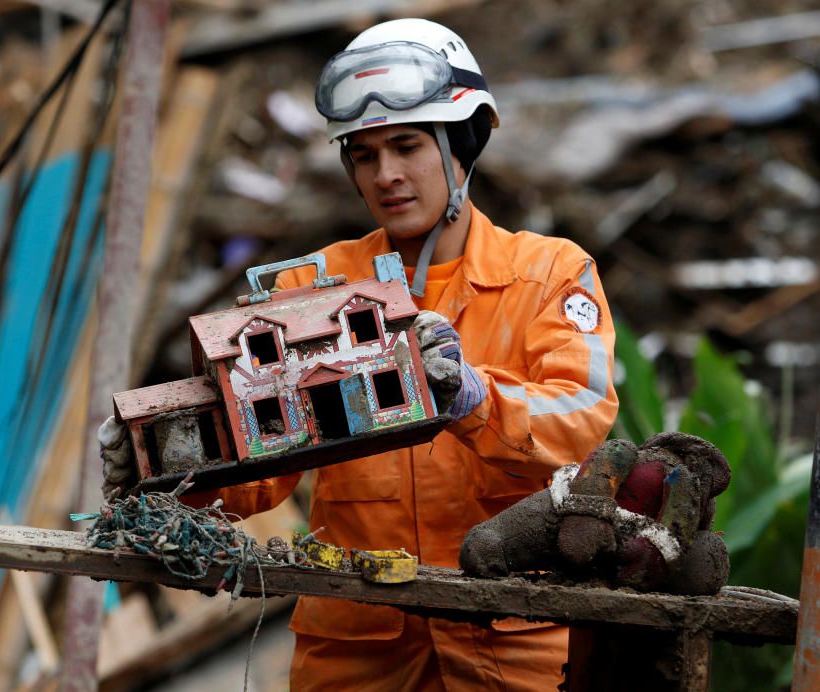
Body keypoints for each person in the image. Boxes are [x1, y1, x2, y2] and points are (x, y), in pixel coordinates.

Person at [102, 17, 618, 691]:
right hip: (356, 643)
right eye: (364, 155)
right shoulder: (311, 289)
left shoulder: (550, 274)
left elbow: (580, 419)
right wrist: (168, 460)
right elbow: (263, 464)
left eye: (406, 146)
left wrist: (472, 396)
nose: (387, 175)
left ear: (461, 143)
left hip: (509, 635)